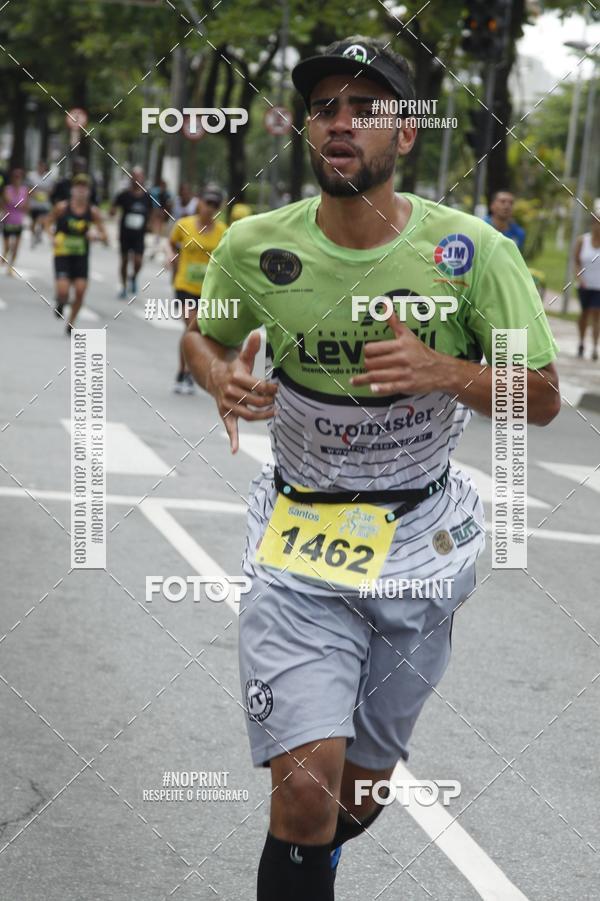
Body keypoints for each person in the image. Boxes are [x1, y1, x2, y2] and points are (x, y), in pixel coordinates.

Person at [183, 36, 560, 900]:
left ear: (407, 136)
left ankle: (321, 848)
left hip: (419, 544)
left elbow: (540, 397)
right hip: (300, 538)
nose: (340, 123)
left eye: (365, 108)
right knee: (306, 789)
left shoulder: (474, 255)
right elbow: (203, 332)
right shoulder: (253, 245)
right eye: (324, 109)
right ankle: (307, 846)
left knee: (358, 792)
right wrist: (219, 374)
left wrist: (445, 372)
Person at [170, 184, 227, 393]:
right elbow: (171, 243)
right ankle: (183, 373)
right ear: (199, 202)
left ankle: (188, 372)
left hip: (209, 290)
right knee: (192, 326)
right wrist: (171, 257)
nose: (209, 208)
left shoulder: (224, 231)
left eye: (215, 204)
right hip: (184, 285)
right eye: (207, 203)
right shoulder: (184, 225)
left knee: (200, 332)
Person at [46, 174, 107, 334]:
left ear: (88, 191)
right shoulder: (62, 207)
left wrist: (95, 235)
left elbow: (105, 236)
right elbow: (47, 222)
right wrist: (52, 237)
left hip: (81, 256)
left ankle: (71, 323)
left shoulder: (92, 212)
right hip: (63, 254)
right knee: (63, 291)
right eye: (78, 187)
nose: (81, 190)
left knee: (80, 291)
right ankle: (61, 301)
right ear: (72, 190)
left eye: (84, 187)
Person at [111, 167, 153, 298]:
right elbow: (113, 208)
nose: (137, 179)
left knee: (138, 261)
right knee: (124, 261)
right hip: (125, 234)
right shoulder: (124, 195)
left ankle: (133, 277)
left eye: (139, 177)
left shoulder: (147, 196)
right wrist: (113, 212)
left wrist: (150, 224)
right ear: (131, 179)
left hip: (139, 235)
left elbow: (153, 213)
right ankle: (123, 287)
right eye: (134, 176)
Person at [574, 208, 600, 360]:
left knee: (596, 313)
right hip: (585, 285)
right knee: (584, 314)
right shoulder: (582, 240)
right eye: (596, 223)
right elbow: (576, 261)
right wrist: (579, 277)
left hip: (599, 286)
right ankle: (581, 342)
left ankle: (595, 346)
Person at [2, 168, 29, 275]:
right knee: (8, 246)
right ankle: (4, 256)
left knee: (16, 246)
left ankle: (11, 266)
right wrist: (18, 203)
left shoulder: (24, 190)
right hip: (8, 220)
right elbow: (7, 201)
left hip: (18, 221)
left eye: (19, 177)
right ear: (12, 178)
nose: (17, 179)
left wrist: (21, 205)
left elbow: (25, 206)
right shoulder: (7, 189)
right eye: (15, 177)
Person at [27, 160, 54, 246]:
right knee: (33, 222)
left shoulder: (49, 177)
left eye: (43, 166)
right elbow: (29, 189)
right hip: (34, 204)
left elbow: (51, 190)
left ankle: (39, 233)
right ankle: (34, 235)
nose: (41, 168)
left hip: (44, 204)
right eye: (40, 166)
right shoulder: (31, 176)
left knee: (42, 219)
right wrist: (35, 194)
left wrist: (44, 194)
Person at [148, 178, 172, 259]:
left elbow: (168, 205)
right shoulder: (155, 192)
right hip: (156, 212)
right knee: (156, 231)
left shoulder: (167, 194)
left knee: (158, 232)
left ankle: (156, 247)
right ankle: (154, 248)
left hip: (161, 213)